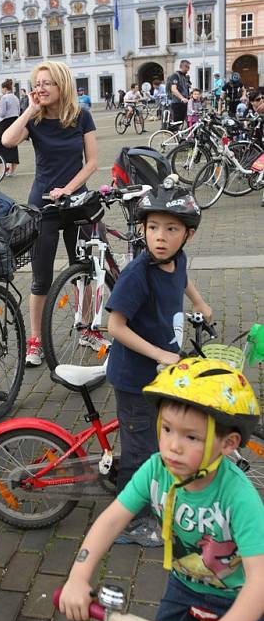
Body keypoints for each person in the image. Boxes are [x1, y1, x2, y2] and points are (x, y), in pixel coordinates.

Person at [58, 360, 264, 621]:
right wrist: (78, 576)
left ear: (228, 443)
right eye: (167, 429)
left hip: (238, 597)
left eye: (191, 437)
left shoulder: (239, 497)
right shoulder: (156, 470)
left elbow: (259, 580)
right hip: (183, 586)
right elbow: (111, 521)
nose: (173, 446)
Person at [105, 182, 211, 545]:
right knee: (140, 451)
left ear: (188, 235)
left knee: (155, 438)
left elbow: (183, 279)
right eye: (152, 228)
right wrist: (161, 354)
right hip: (135, 378)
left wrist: (199, 303)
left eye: (171, 229)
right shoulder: (138, 274)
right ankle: (130, 523)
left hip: (158, 376)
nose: (160, 237)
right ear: (143, 230)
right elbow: (114, 326)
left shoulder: (175, 260)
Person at [1, 61, 98, 366]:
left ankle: (85, 328)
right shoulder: (36, 119)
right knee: (40, 278)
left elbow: (92, 162)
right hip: (43, 204)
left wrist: (69, 189)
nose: (40, 88)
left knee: (81, 269)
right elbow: (7, 141)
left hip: (76, 203)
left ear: (61, 85)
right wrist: (29, 110)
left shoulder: (81, 116)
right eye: (37, 83)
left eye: (46, 83)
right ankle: (36, 341)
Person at [0, 79, 20, 176]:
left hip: (5, 123)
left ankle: (2, 170)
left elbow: (2, 113)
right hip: (14, 122)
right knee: (13, 145)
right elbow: (18, 111)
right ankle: (12, 171)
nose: (1, 90)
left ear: (5, 88)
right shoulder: (15, 97)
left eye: (1, 89)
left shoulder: (4, 98)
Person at [168, 60, 191, 124]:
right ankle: (172, 133)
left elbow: (185, 89)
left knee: (188, 120)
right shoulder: (175, 76)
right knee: (177, 123)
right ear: (183, 66)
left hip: (185, 103)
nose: (188, 69)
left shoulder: (184, 77)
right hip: (177, 103)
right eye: (187, 67)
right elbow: (174, 89)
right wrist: (182, 98)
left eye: (189, 67)